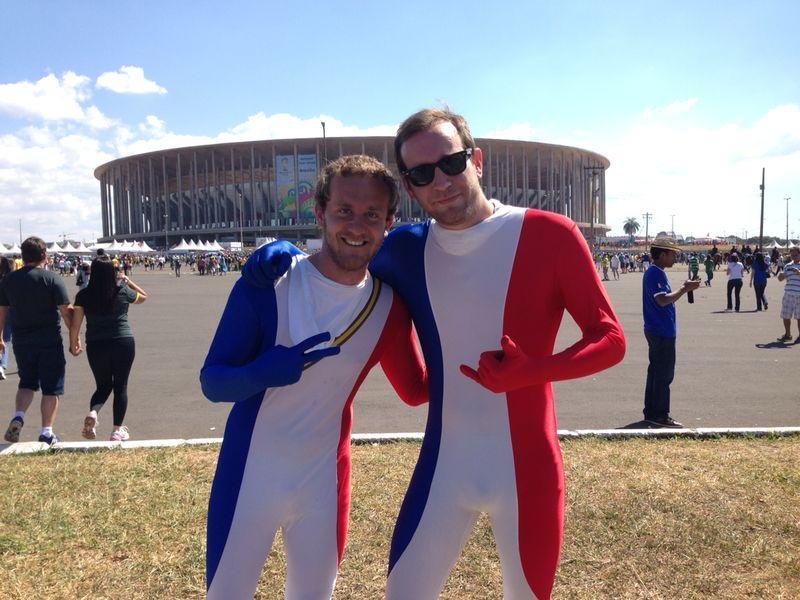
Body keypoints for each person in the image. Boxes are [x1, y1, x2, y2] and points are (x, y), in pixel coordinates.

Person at [244, 108, 626, 599]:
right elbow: (344, 257)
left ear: (477, 159)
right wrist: (285, 253)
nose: (440, 182)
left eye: (450, 163)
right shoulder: (403, 248)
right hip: (444, 463)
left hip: (527, 468)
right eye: (422, 174)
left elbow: (610, 339)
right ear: (409, 186)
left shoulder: (550, 233)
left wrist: (534, 371)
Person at [200, 155, 428, 599]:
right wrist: (261, 373)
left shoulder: (389, 306)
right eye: (344, 210)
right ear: (320, 212)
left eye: (371, 215)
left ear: (389, 222)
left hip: (323, 482)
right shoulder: (270, 281)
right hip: (249, 474)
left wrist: (484, 353)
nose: (356, 226)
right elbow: (214, 381)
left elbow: (416, 389)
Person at [0, 237, 73, 445]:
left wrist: (0, 338)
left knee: (27, 383)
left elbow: (2, 311)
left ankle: (19, 416)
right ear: (44, 255)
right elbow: (65, 312)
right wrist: (74, 337)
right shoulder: (52, 279)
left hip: (22, 340)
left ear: (23, 257)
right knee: (52, 388)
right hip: (49, 339)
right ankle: (47, 431)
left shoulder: (8, 281)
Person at [69, 255, 147, 442]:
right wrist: (129, 281)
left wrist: (73, 343)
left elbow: (76, 324)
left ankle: (94, 413)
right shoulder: (122, 291)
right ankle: (116, 430)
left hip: (96, 344)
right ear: (112, 273)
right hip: (123, 341)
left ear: (92, 273)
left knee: (103, 385)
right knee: (121, 386)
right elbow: (144, 297)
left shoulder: (84, 295)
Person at [641, 237, 701, 428]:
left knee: (656, 372)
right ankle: (659, 415)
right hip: (661, 330)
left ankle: (651, 412)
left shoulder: (655, 272)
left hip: (657, 329)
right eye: (673, 253)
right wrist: (684, 289)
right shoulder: (655, 274)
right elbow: (662, 300)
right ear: (663, 254)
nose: (676, 257)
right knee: (664, 375)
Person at [776, 246, 800, 342]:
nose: (793, 256)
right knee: (786, 316)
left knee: (799, 317)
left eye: (796, 255)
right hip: (788, 294)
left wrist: (799, 272)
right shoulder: (787, 265)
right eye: (792, 255)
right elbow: (780, 279)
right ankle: (787, 334)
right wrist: (780, 276)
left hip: (799, 295)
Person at [0, 258, 12, 380]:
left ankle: (2, 364)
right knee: (7, 338)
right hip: (10, 310)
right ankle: (2, 365)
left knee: (4, 338)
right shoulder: (11, 279)